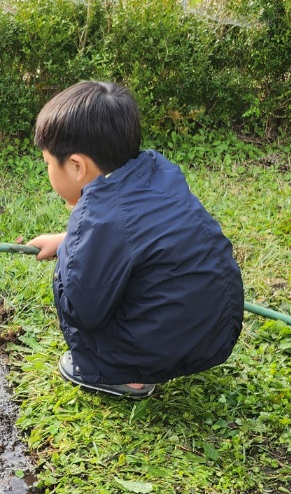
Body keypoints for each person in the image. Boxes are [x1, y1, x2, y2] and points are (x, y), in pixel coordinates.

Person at [28, 80, 244, 400]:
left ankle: (128, 375)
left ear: (76, 166)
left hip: (162, 350)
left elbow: (83, 310)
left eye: (48, 163)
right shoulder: (157, 175)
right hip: (218, 332)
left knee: (84, 305)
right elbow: (136, 236)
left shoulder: (100, 217)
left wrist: (71, 251)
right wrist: (66, 238)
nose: (47, 170)